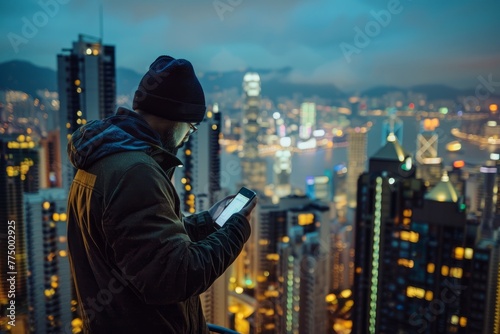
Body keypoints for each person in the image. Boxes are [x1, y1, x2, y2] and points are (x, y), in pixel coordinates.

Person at [66, 55, 257, 333]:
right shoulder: (135, 172)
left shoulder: (107, 160)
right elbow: (174, 277)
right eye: (190, 129)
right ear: (174, 119)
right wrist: (236, 229)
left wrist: (207, 223)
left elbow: (142, 247)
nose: (186, 138)